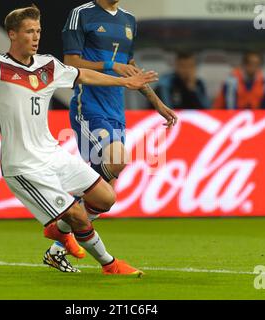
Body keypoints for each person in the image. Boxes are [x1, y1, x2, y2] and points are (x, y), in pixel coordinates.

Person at [0, 4, 158, 275]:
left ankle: (57, 229)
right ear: (12, 34)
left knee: (106, 197)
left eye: (38, 31)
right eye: (29, 31)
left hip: (52, 154)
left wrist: (123, 82)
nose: (35, 37)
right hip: (24, 165)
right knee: (78, 216)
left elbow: (83, 75)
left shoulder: (48, 65)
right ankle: (110, 264)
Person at [43, 0, 178, 272]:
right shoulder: (81, 15)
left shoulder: (128, 19)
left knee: (105, 196)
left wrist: (156, 103)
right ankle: (69, 235)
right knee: (118, 159)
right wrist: (110, 65)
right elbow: (70, 64)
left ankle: (58, 242)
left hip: (116, 110)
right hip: (88, 106)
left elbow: (129, 67)